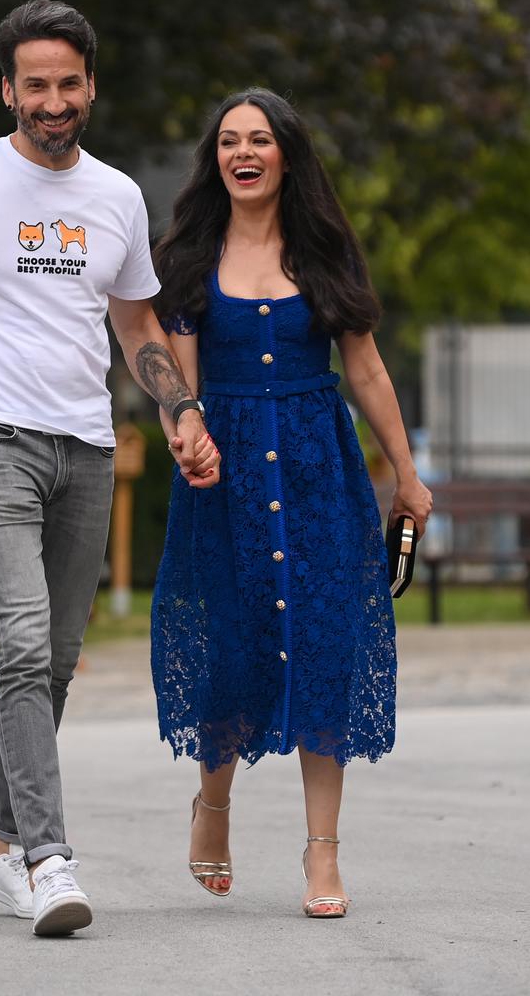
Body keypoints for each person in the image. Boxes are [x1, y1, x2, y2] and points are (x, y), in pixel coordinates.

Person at [0, 0, 219, 938]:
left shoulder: (116, 197)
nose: (54, 101)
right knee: (22, 642)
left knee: (58, 658)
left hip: (87, 443)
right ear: (8, 91)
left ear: (91, 86)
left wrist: (181, 409)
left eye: (69, 83)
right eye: (36, 85)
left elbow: (137, 324)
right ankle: (47, 859)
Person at [150, 88, 432, 917]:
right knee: (233, 649)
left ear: (286, 155)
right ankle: (213, 806)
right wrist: (187, 435)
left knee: (324, 646)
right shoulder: (190, 257)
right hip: (226, 481)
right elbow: (180, 387)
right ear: (215, 160)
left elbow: (367, 369)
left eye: (260, 139)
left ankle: (323, 854)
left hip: (319, 474)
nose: (243, 152)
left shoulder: (323, 250)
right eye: (229, 140)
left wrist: (406, 475)